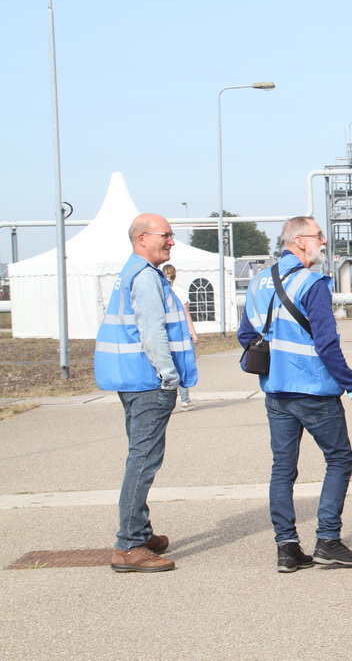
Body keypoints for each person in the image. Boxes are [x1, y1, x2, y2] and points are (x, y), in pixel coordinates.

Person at [238, 216, 352, 574]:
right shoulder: (313, 283)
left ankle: (287, 548)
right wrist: (350, 383)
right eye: (318, 236)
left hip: (275, 391)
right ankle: (328, 540)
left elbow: (246, 336)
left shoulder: (258, 281)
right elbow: (326, 343)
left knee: (283, 469)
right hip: (314, 389)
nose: (323, 242)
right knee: (339, 459)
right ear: (299, 241)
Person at [95, 214, 197, 573]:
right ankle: (128, 545)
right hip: (149, 381)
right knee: (143, 461)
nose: (171, 241)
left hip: (132, 379)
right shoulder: (146, 277)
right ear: (142, 238)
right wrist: (169, 376)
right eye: (165, 235)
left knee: (140, 457)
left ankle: (139, 531)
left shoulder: (131, 271)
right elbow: (152, 332)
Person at [161, 264, 198, 411]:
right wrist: (193, 333)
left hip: (164, 335)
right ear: (175, 277)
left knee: (165, 368)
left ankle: (165, 403)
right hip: (180, 335)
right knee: (182, 367)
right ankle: (185, 400)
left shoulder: (159, 293)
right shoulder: (180, 293)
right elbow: (186, 314)